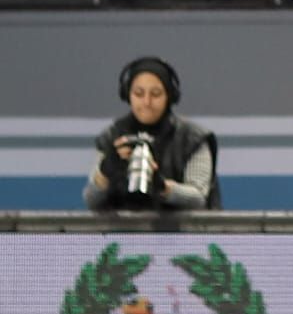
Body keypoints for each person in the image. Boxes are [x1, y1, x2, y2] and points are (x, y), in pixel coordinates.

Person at [85, 57, 220, 211]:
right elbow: (91, 200)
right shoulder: (112, 136)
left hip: (180, 227)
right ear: (127, 95)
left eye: (155, 94)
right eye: (138, 94)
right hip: (122, 227)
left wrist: (163, 187)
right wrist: (105, 172)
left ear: (169, 96)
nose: (147, 102)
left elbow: (198, 198)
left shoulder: (192, 138)